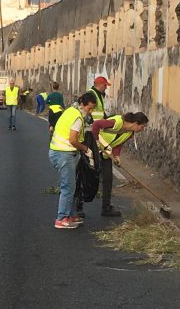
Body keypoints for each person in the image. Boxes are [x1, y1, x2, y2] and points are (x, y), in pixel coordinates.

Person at [49, 92, 97, 229]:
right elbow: (73, 139)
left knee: (71, 185)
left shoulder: (71, 110)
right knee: (68, 187)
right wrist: (86, 149)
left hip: (59, 152)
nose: (91, 111)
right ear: (83, 104)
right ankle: (62, 218)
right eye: (90, 108)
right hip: (63, 153)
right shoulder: (77, 117)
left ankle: (69, 215)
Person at [91, 112, 149, 217]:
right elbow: (96, 125)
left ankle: (106, 208)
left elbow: (118, 144)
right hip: (93, 150)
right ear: (135, 123)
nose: (142, 129)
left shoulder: (129, 133)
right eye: (142, 126)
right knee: (88, 177)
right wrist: (96, 141)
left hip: (106, 153)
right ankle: (78, 205)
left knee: (108, 180)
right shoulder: (117, 122)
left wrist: (117, 156)